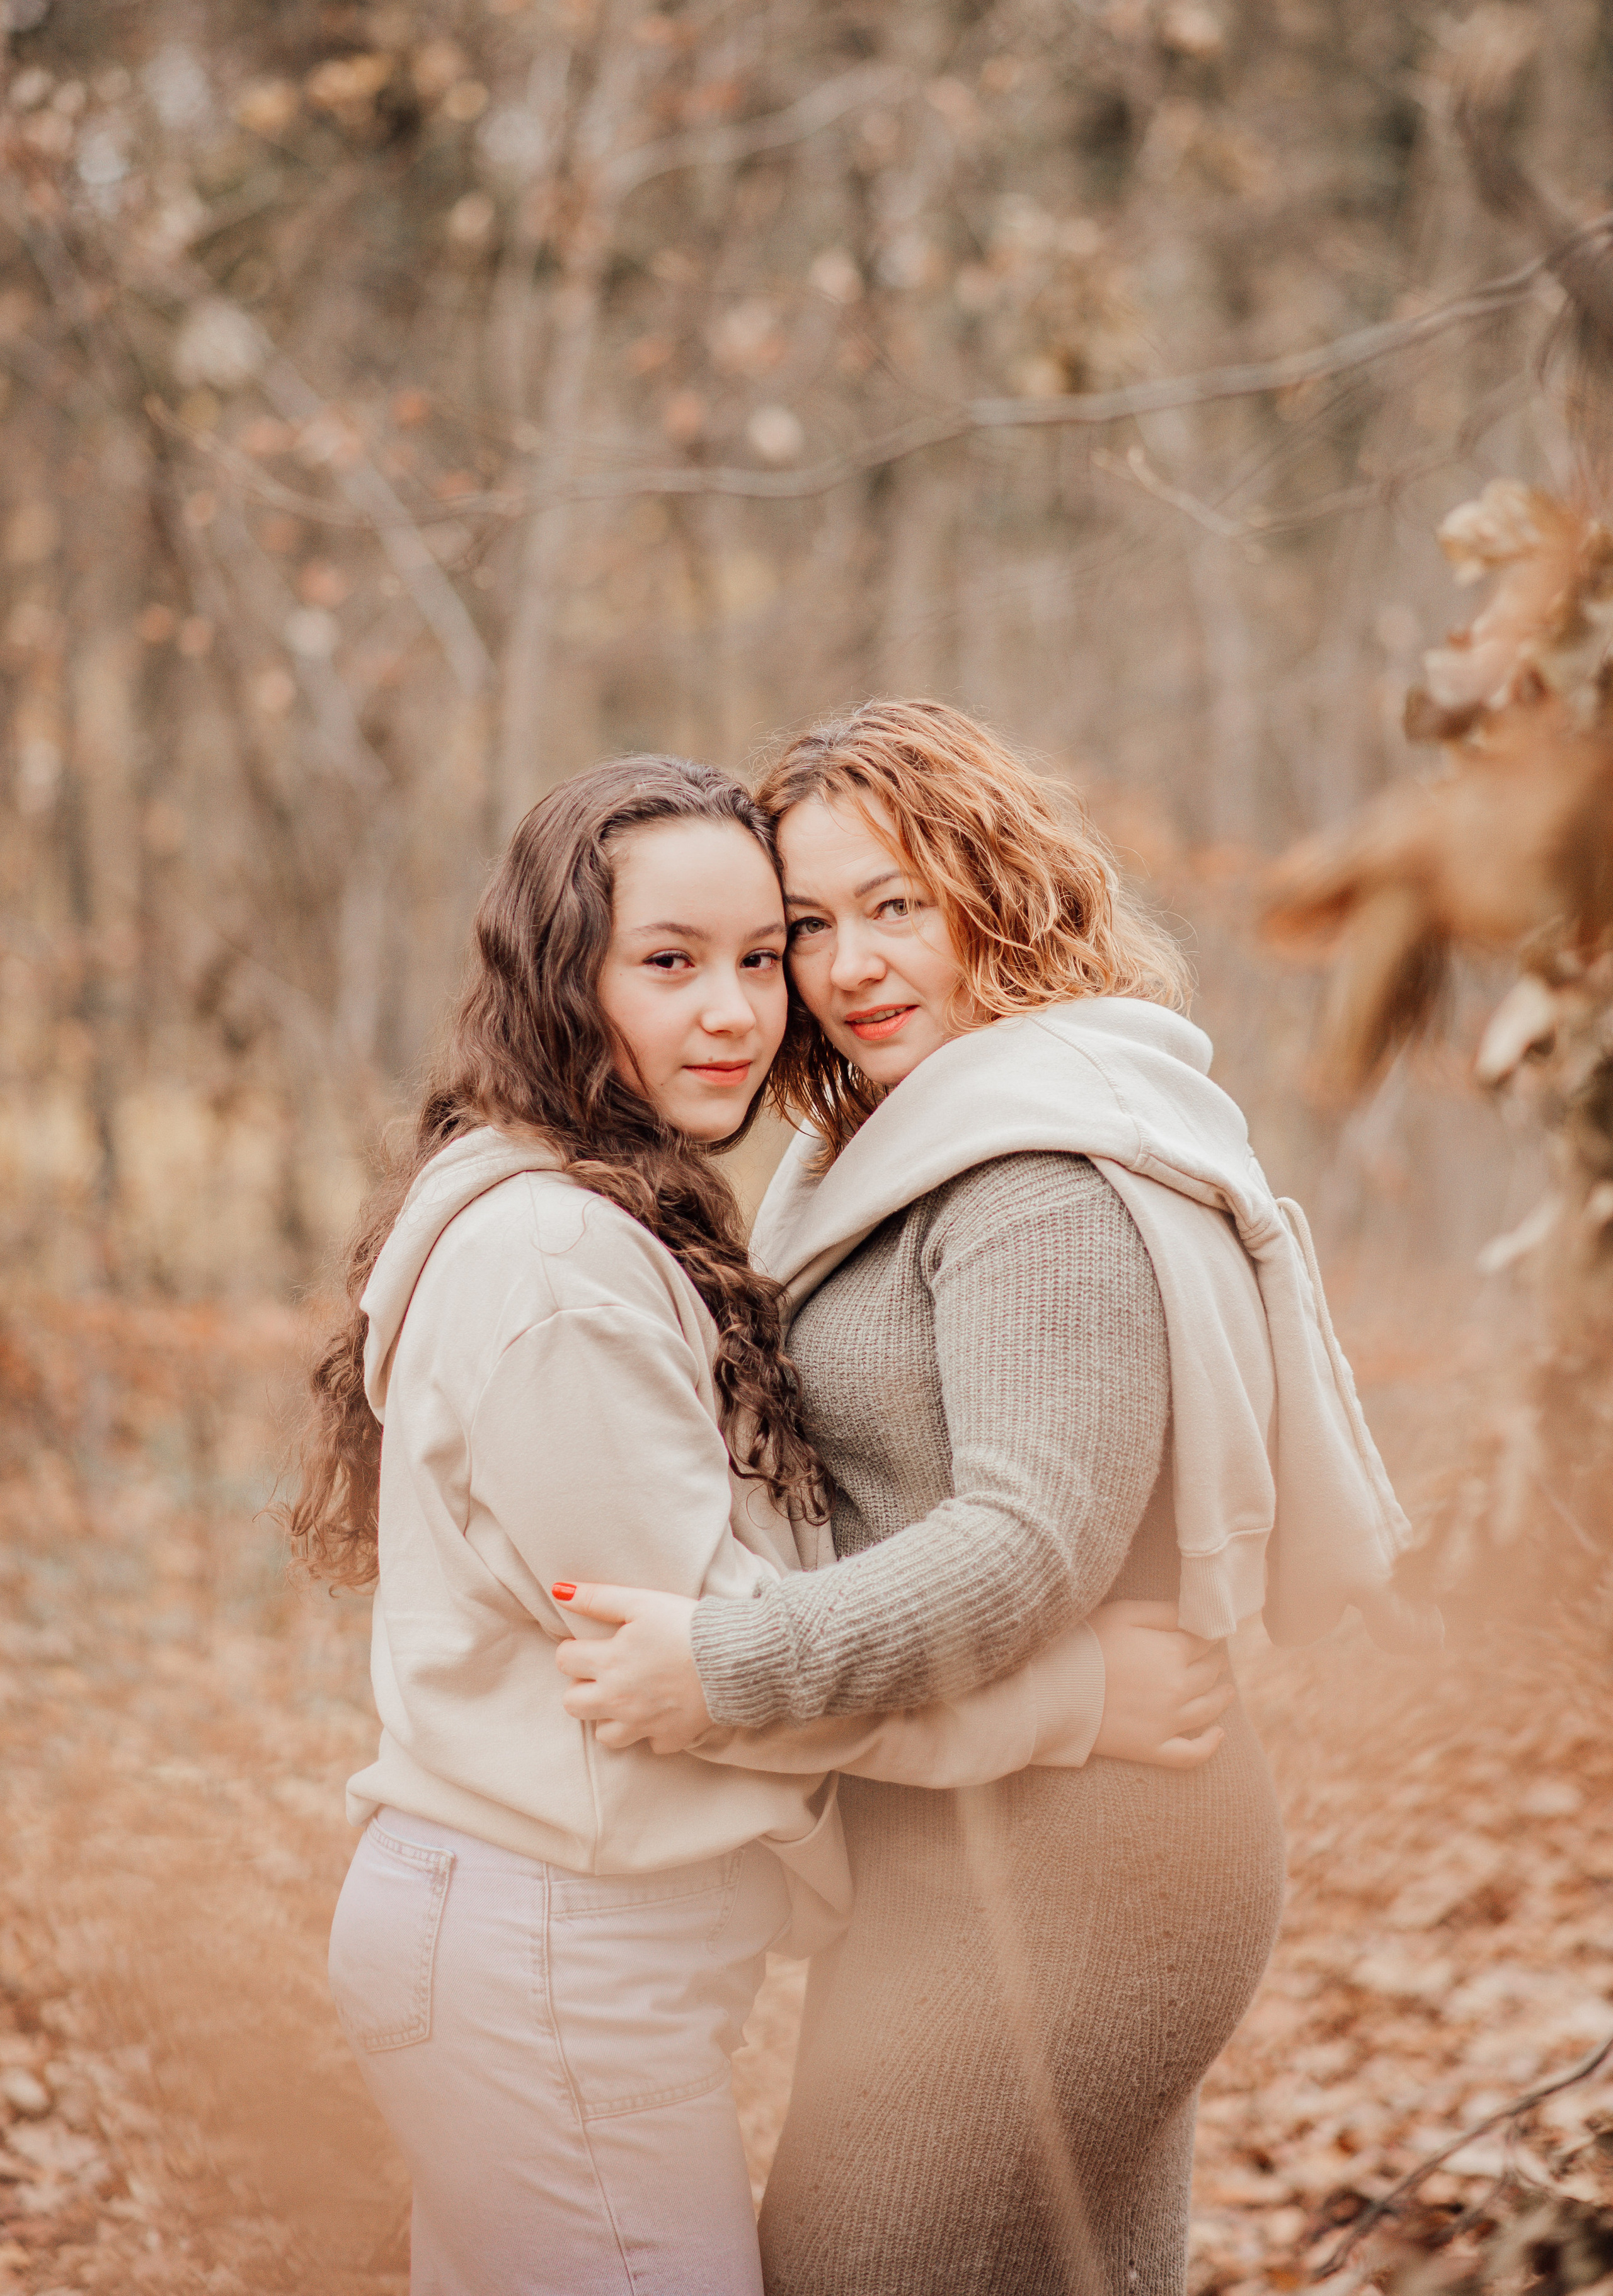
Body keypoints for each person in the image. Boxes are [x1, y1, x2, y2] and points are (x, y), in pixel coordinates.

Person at [284, 753, 1229, 2296]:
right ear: (558, 978)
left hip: (551, 1949)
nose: (737, 1009)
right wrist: (1073, 1698)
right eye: (669, 963)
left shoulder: (599, 1211)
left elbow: (724, 1651)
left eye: (753, 957)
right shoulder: (551, 1267)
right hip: (544, 1961)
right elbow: (712, 1680)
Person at [555, 704, 1435, 2296]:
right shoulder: (905, 1146)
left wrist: (725, 1666)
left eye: (896, 903)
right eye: (808, 926)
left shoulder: (1030, 1174)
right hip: (981, 1841)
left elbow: (1030, 1541)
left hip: (1079, 1871)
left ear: (995, 888)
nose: (846, 968)